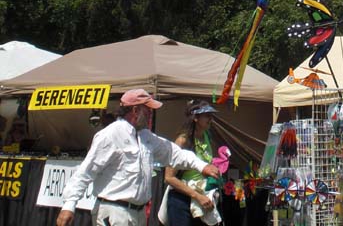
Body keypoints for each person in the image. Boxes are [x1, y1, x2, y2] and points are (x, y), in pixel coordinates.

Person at [56, 89, 221, 226]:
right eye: (147, 110)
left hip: (138, 213)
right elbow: (86, 171)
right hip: (114, 212)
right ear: (135, 111)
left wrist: (202, 166)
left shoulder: (145, 136)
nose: (150, 114)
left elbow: (173, 152)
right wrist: (69, 205)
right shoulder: (110, 135)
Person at [164, 101, 223, 225]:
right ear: (195, 118)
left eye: (211, 115)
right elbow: (169, 177)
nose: (210, 119)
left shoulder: (207, 136)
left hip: (202, 197)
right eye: (206, 115)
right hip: (182, 199)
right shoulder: (183, 140)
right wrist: (197, 196)